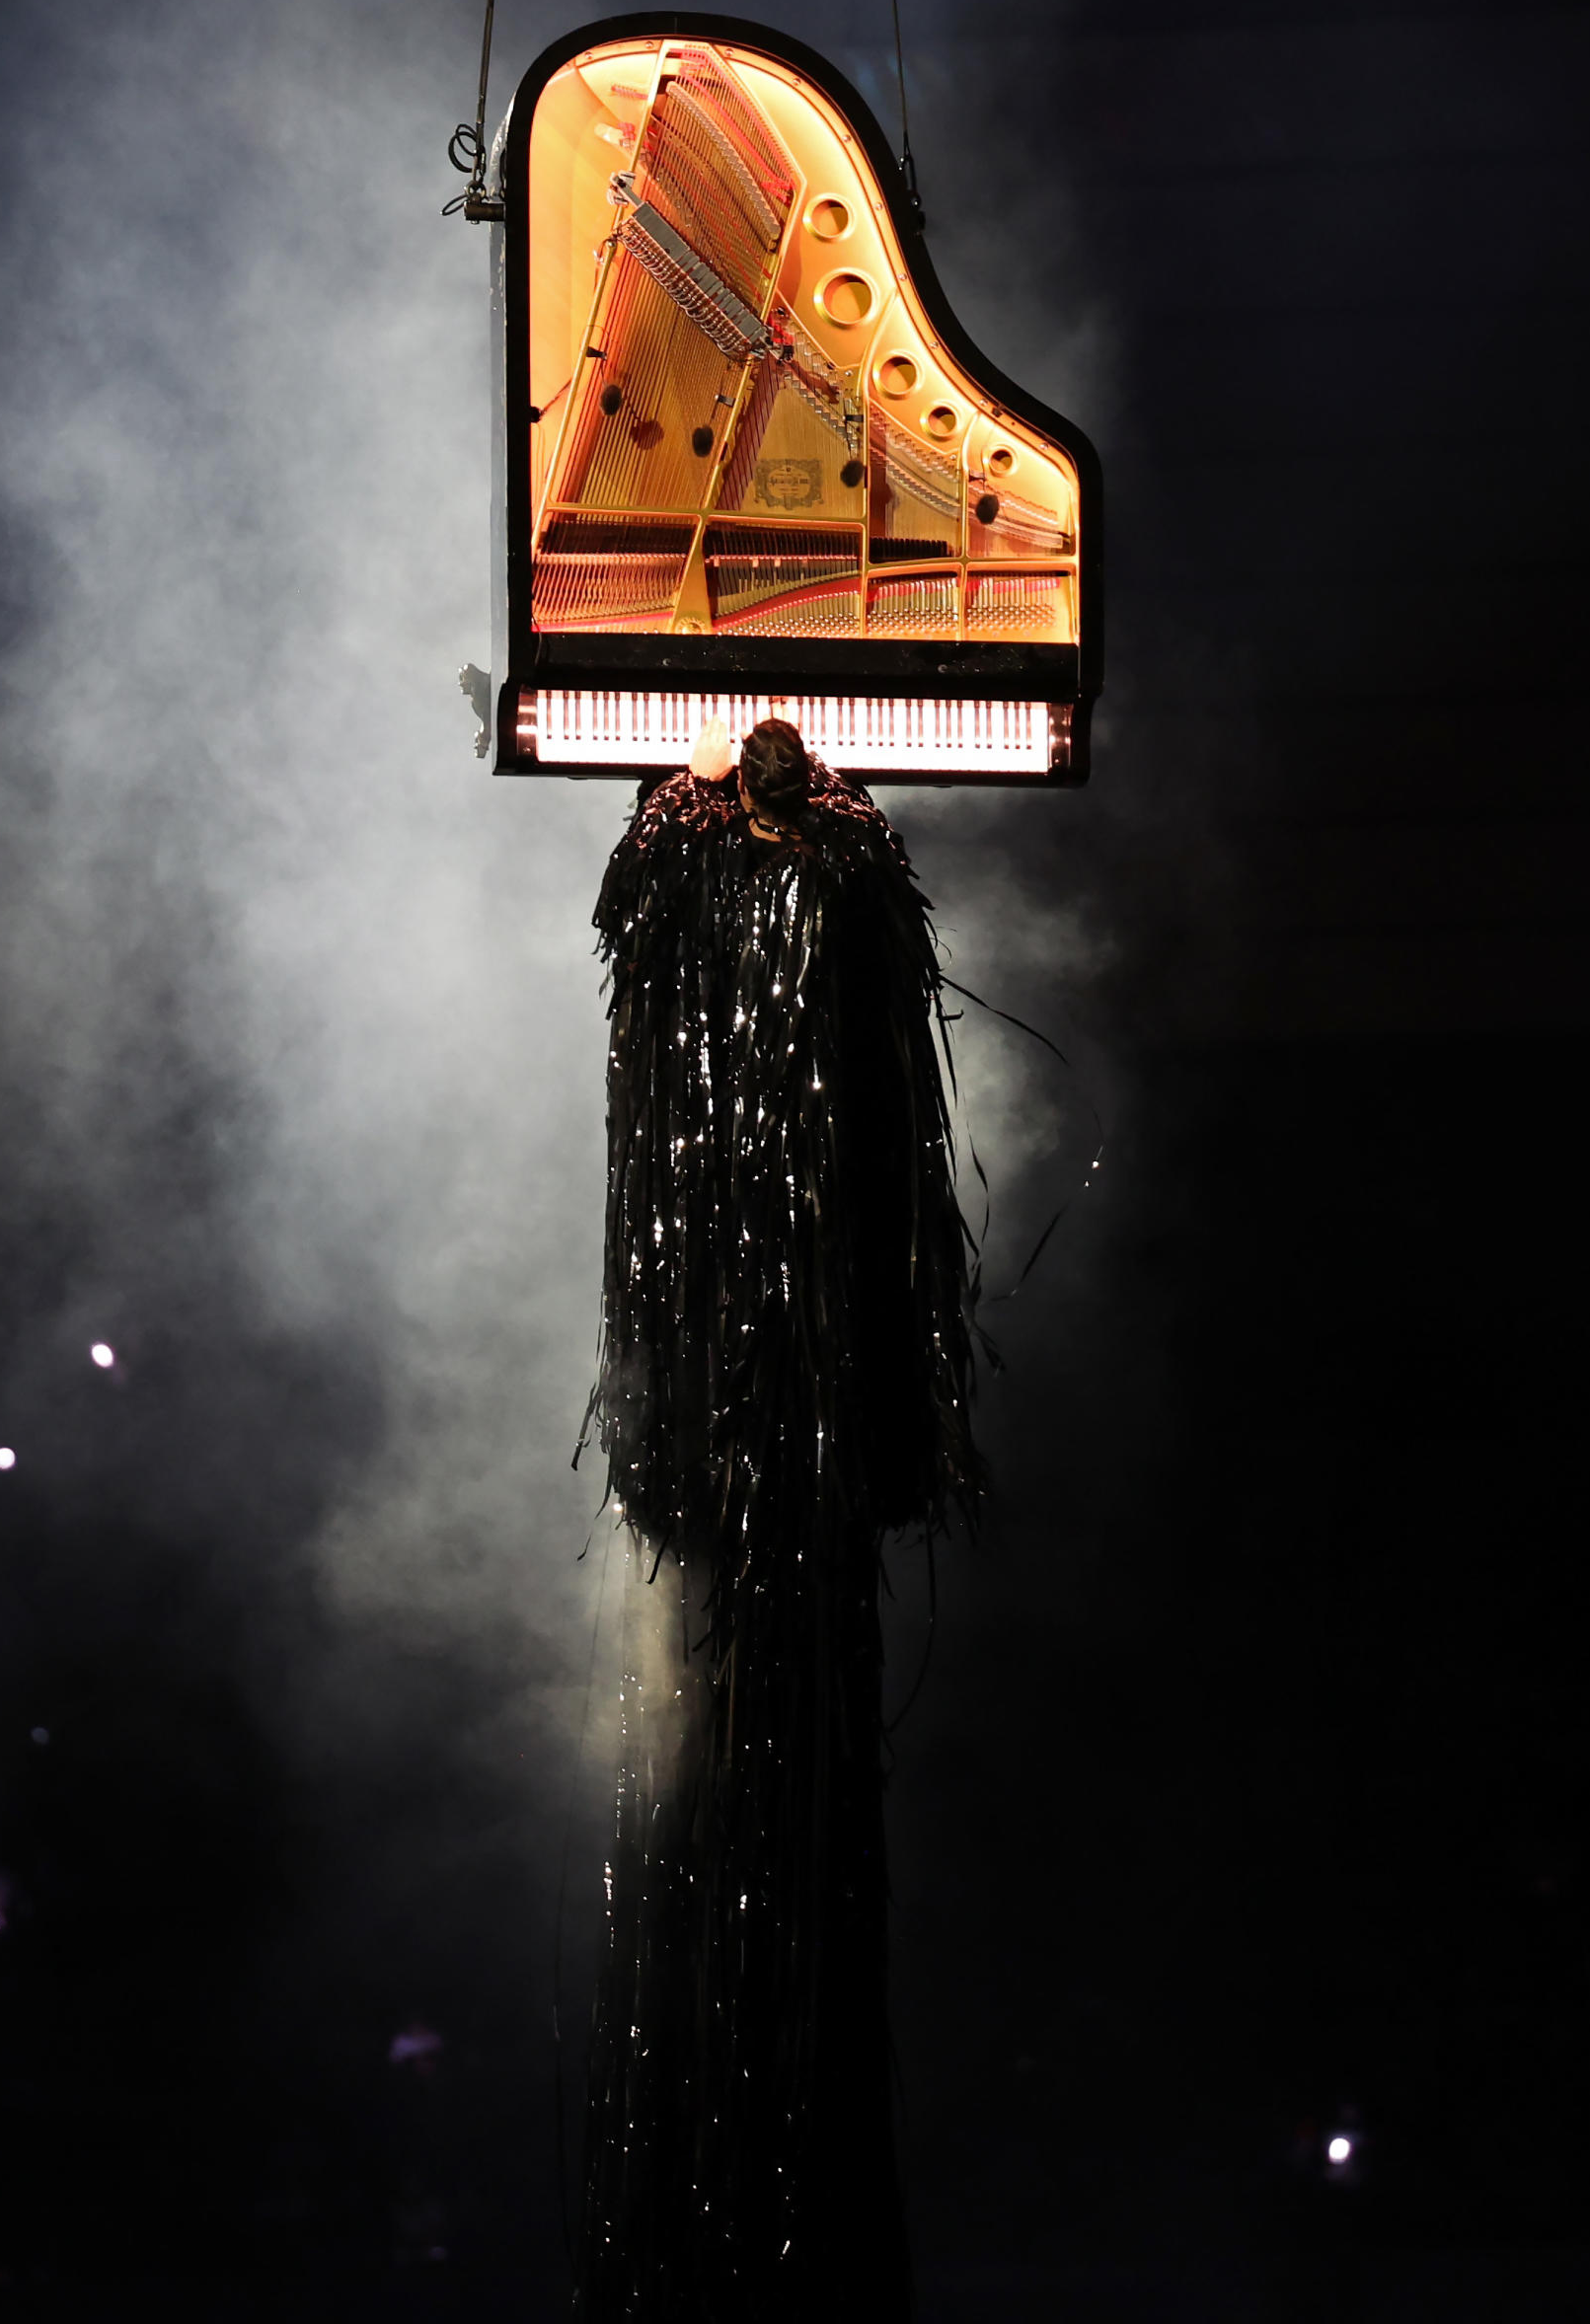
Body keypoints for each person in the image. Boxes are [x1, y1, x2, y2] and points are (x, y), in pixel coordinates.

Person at [575, 713, 986, 2320]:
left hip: (791, 1452)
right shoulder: (698, 877)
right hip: (739, 1435)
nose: (771, 745)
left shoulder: (834, 885)